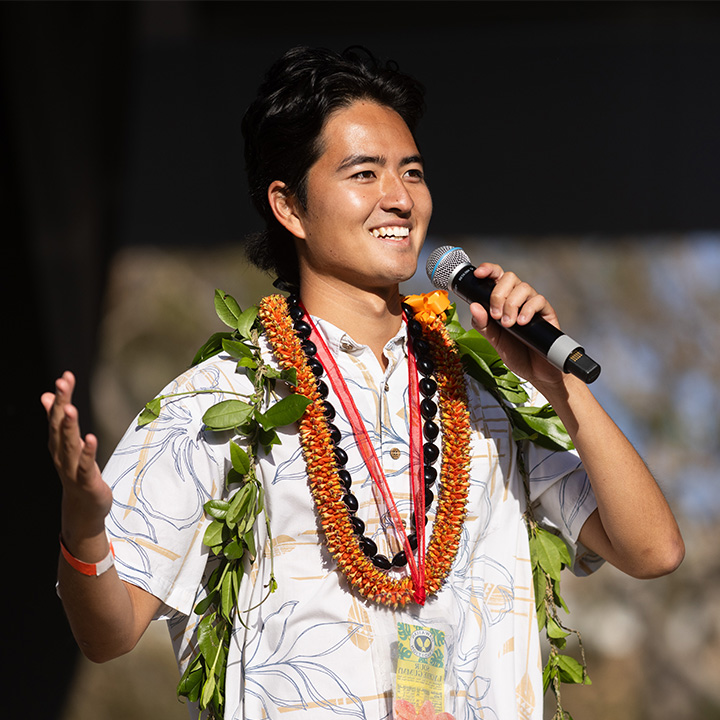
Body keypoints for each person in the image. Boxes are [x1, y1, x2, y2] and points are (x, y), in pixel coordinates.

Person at [42, 46, 684, 720]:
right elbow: (107, 634)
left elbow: (653, 550)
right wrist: (83, 525)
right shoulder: (220, 399)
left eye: (412, 172)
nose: (400, 199)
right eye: (364, 173)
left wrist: (559, 385)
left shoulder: (490, 393)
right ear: (289, 206)